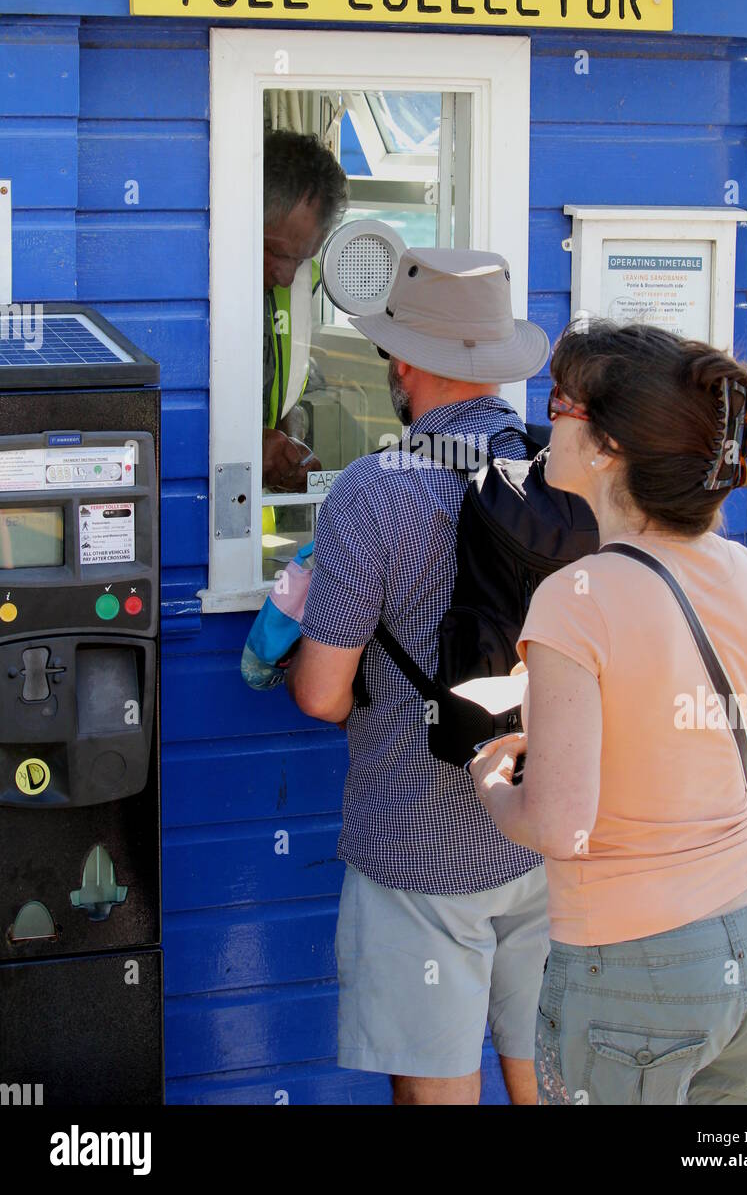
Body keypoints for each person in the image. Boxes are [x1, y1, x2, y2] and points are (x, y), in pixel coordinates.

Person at [471, 317, 747, 1106]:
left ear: (610, 446)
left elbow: (559, 826)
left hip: (634, 967)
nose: (545, 418)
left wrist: (492, 782)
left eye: (561, 401)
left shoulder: (574, 600)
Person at [286, 247, 552, 1105]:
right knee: (548, 1080)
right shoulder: (562, 477)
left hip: (418, 850)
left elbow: (321, 694)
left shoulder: (373, 491)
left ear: (403, 360)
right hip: (546, 827)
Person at [261, 130, 349, 491]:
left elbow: (283, 398)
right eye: (275, 253)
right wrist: (245, 447)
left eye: (300, 260)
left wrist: (289, 445)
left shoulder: (302, 278)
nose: (285, 276)